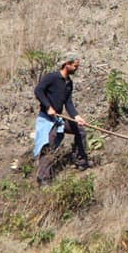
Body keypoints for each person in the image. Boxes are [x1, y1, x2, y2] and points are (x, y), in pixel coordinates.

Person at [34, 53, 90, 181]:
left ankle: (80, 161)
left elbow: (68, 103)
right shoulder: (51, 77)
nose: (77, 69)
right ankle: (43, 178)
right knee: (48, 145)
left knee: (80, 130)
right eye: (75, 66)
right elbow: (38, 91)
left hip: (58, 119)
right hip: (47, 119)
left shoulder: (69, 83)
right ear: (67, 65)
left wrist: (77, 117)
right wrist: (48, 107)